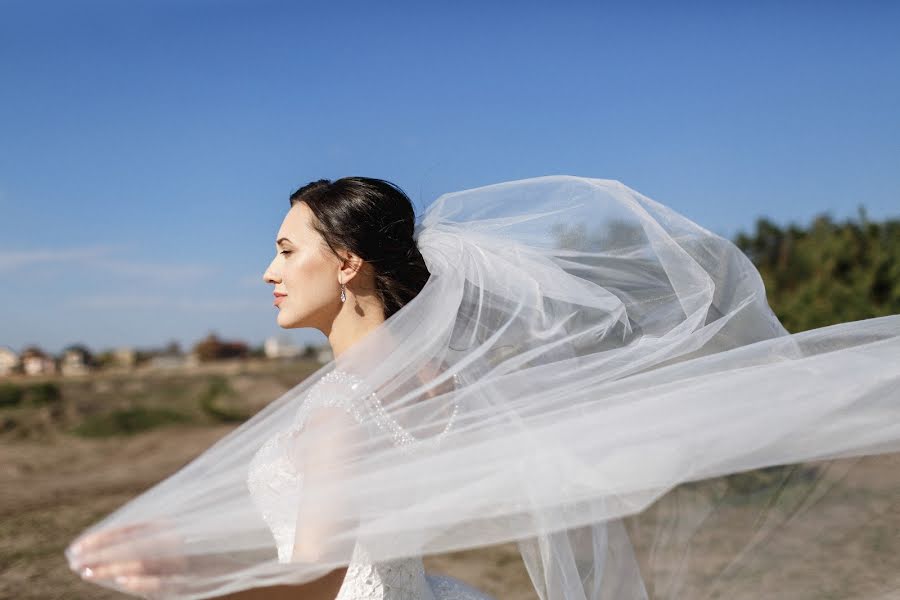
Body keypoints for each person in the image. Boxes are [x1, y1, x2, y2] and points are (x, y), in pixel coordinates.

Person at [67, 175, 900, 600]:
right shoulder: (425, 378)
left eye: (288, 251)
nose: (268, 272)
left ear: (348, 262)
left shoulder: (339, 410)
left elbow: (322, 578)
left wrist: (186, 570)